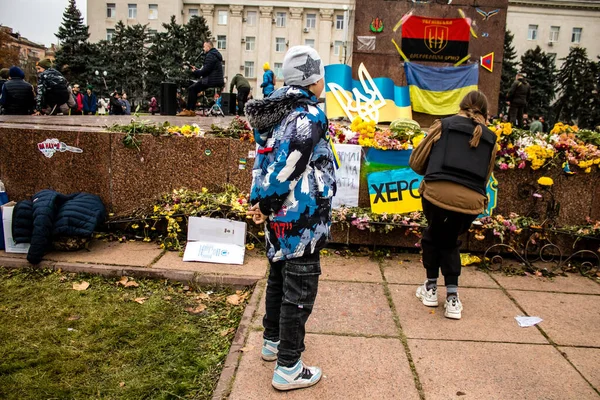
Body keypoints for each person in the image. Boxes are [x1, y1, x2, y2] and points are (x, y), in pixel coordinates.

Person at [245, 45, 336, 391]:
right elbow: (287, 168)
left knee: (280, 280)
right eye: (322, 74)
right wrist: (265, 204)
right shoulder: (307, 116)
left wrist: (260, 203)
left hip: (280, 218)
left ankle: (272, 343)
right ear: (313, 79)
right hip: (301, 219)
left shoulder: (276, 112)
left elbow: (263, 161)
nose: (323, 79)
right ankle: (289, 367)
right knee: (299, 290)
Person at [409, 90, 498, 320]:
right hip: (471, 202)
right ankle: (452, 298)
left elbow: (416, 162)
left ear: (460, 106)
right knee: (448, 239)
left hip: (437, 193)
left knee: (434, 234)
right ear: (486, 113)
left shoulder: (443, 125)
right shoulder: (491, 138)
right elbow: (485, 177)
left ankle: (431, 288)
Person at [177, 41, 224, 116]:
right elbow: (207, 69)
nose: (203, 49)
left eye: (204, 47)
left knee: (192, 89)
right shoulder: (215, 55)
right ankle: (191, 110)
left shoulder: (210, 55)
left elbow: (205, 71)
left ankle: (189, 110)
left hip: (211, 80)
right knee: (194, 88)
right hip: (214, 79)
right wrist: (198, 70)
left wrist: (195, 72)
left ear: (208, 47)